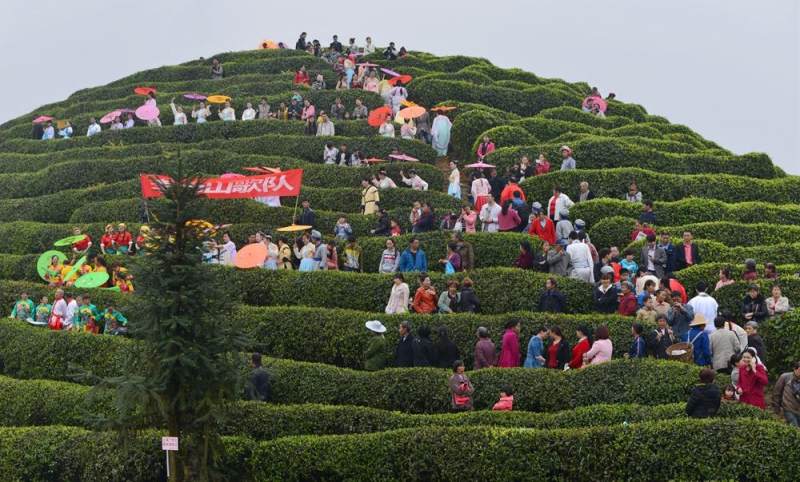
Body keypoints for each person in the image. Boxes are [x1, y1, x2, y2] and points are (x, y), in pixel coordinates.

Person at [772, 361, 800, 426]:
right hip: (789, 408)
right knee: (794, 428)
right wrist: (777, 408)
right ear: (795, 369)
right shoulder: (785, 377)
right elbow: (776, 393)